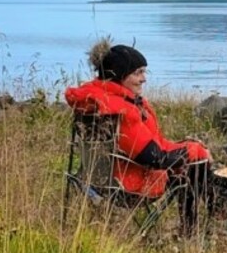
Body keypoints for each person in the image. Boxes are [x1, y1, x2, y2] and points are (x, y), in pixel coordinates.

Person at [64, 39, 212, 236]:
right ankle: (199, 226)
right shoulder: (123, 110)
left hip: (95, 180)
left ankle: (211, 214)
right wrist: (196, 151)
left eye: (144, 72)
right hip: (129, 185)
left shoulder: (95, 101)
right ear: (119, 75)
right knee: (195, 165)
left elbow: (151, 146)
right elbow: (154, 158)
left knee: (191, 155)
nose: (144, 79)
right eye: (138, 72)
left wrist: (186, 146)